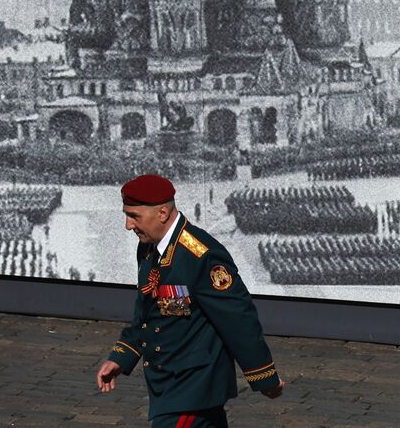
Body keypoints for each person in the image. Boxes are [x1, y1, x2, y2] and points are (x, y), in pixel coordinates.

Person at [96, 174, 283, 426]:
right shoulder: (149, 249)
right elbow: (147, 312)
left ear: (162, 213)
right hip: (168, 384)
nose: (128, 225)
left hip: (192, 387)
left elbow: (237, 318)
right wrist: (121, 357)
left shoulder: (201, 255)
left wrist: (264, 376)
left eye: (134, 216)